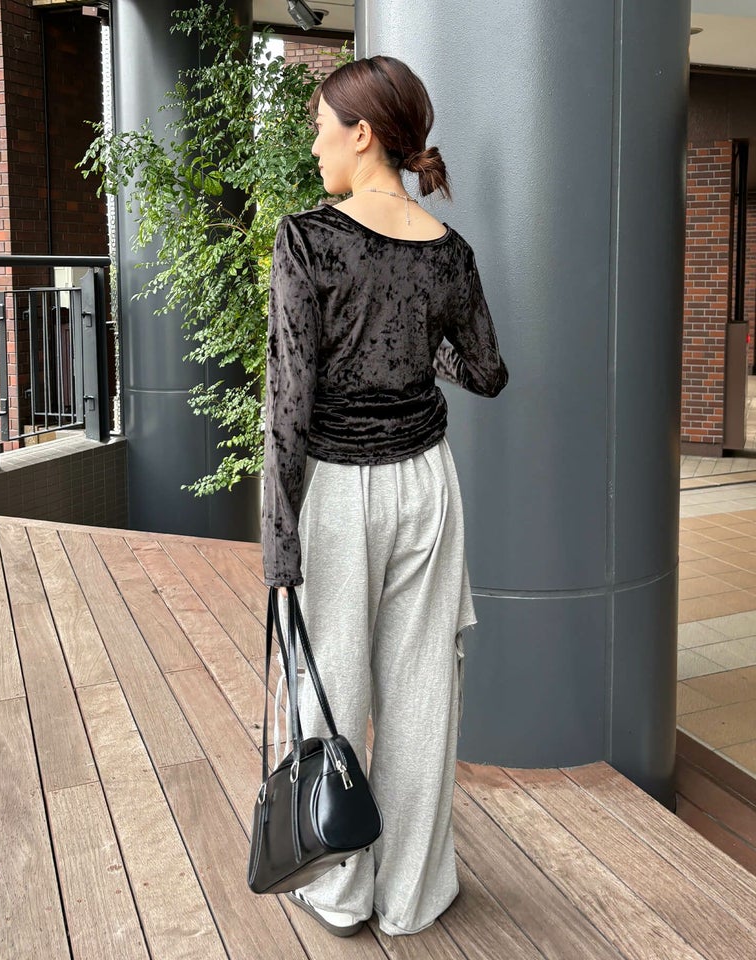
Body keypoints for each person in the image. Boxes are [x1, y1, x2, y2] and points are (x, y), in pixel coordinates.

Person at [261, 55, 508, 938]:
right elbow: (487, 371)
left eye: (321, 129)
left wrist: (278, 539)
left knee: (329, 686)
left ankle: (339, 892)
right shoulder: (449, 249)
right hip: (428, 486)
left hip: (336, 488)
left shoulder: (307, 239)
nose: (315, 146)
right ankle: (412, 894)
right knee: (422, 692)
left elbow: (289, 401)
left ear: (362, 133)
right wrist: (414, 343)